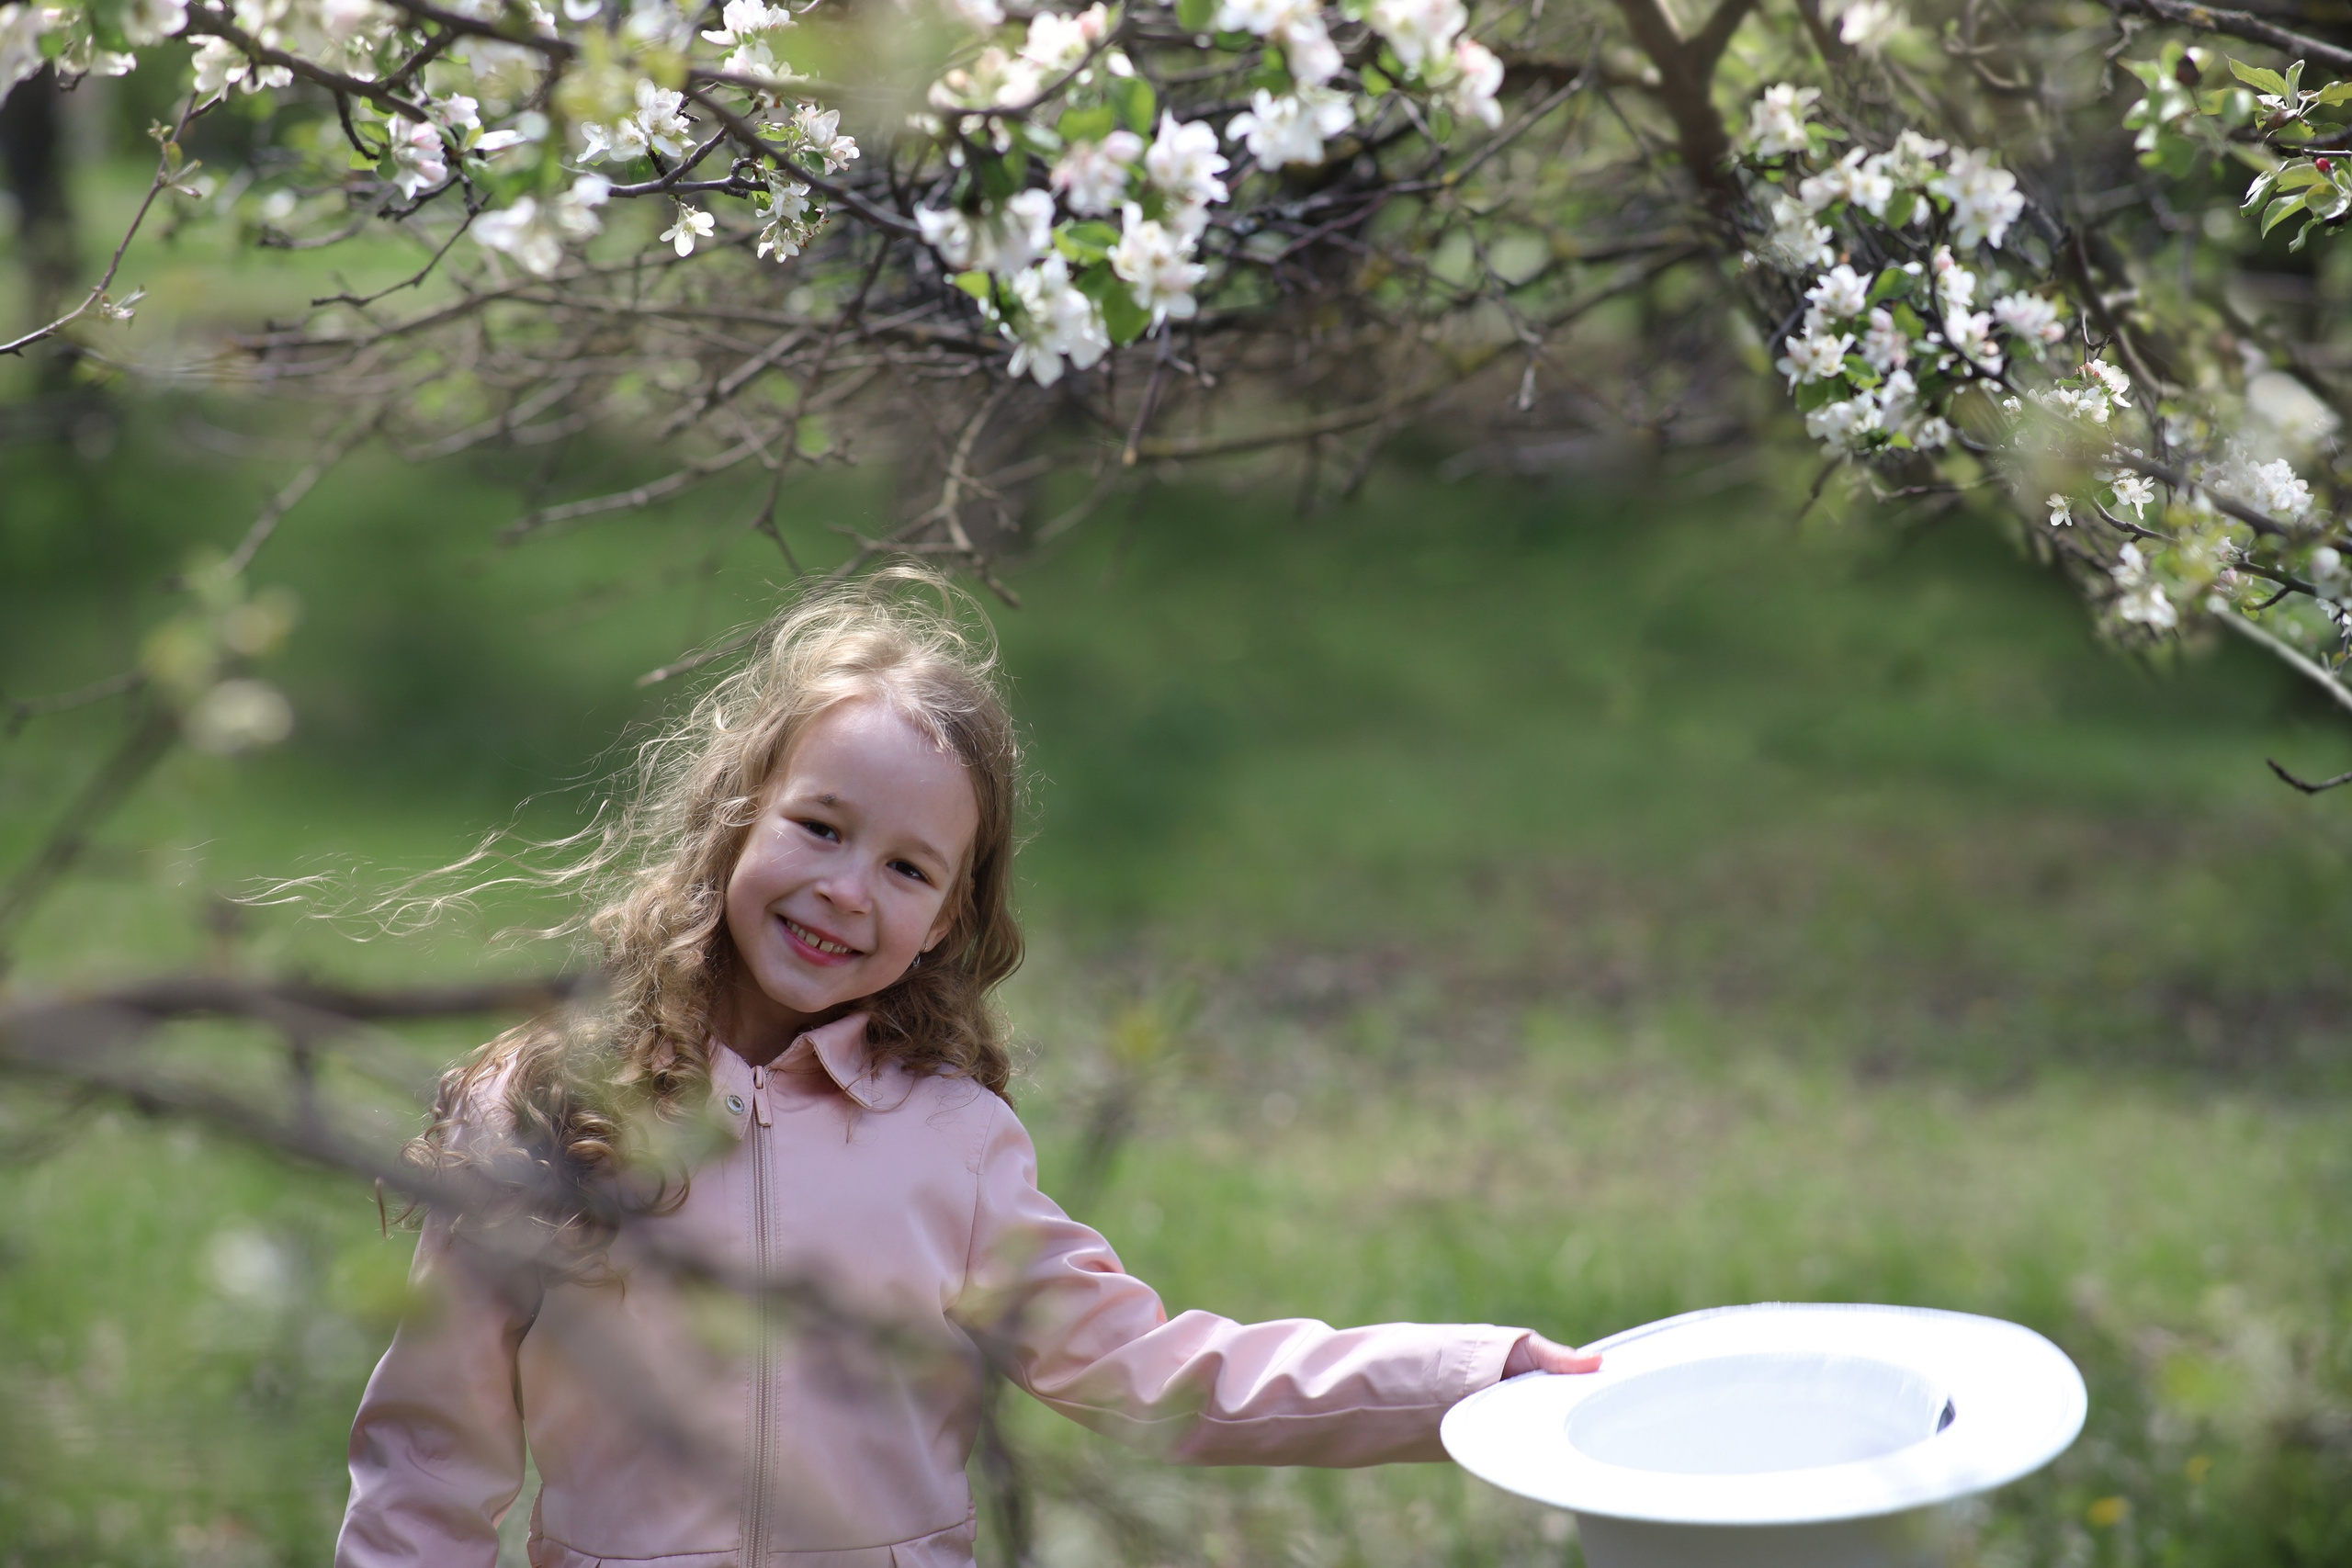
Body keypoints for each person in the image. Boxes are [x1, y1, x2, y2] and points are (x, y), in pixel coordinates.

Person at [336, 567, 1600, 1568]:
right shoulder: (552, 1107)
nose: (845, 889)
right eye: (821, 828)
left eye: (905, 867)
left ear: (947, 917)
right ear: (737, 819)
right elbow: (428, 1462)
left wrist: (1474, 1380)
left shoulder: (950, 1145)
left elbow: (1154, 1377)